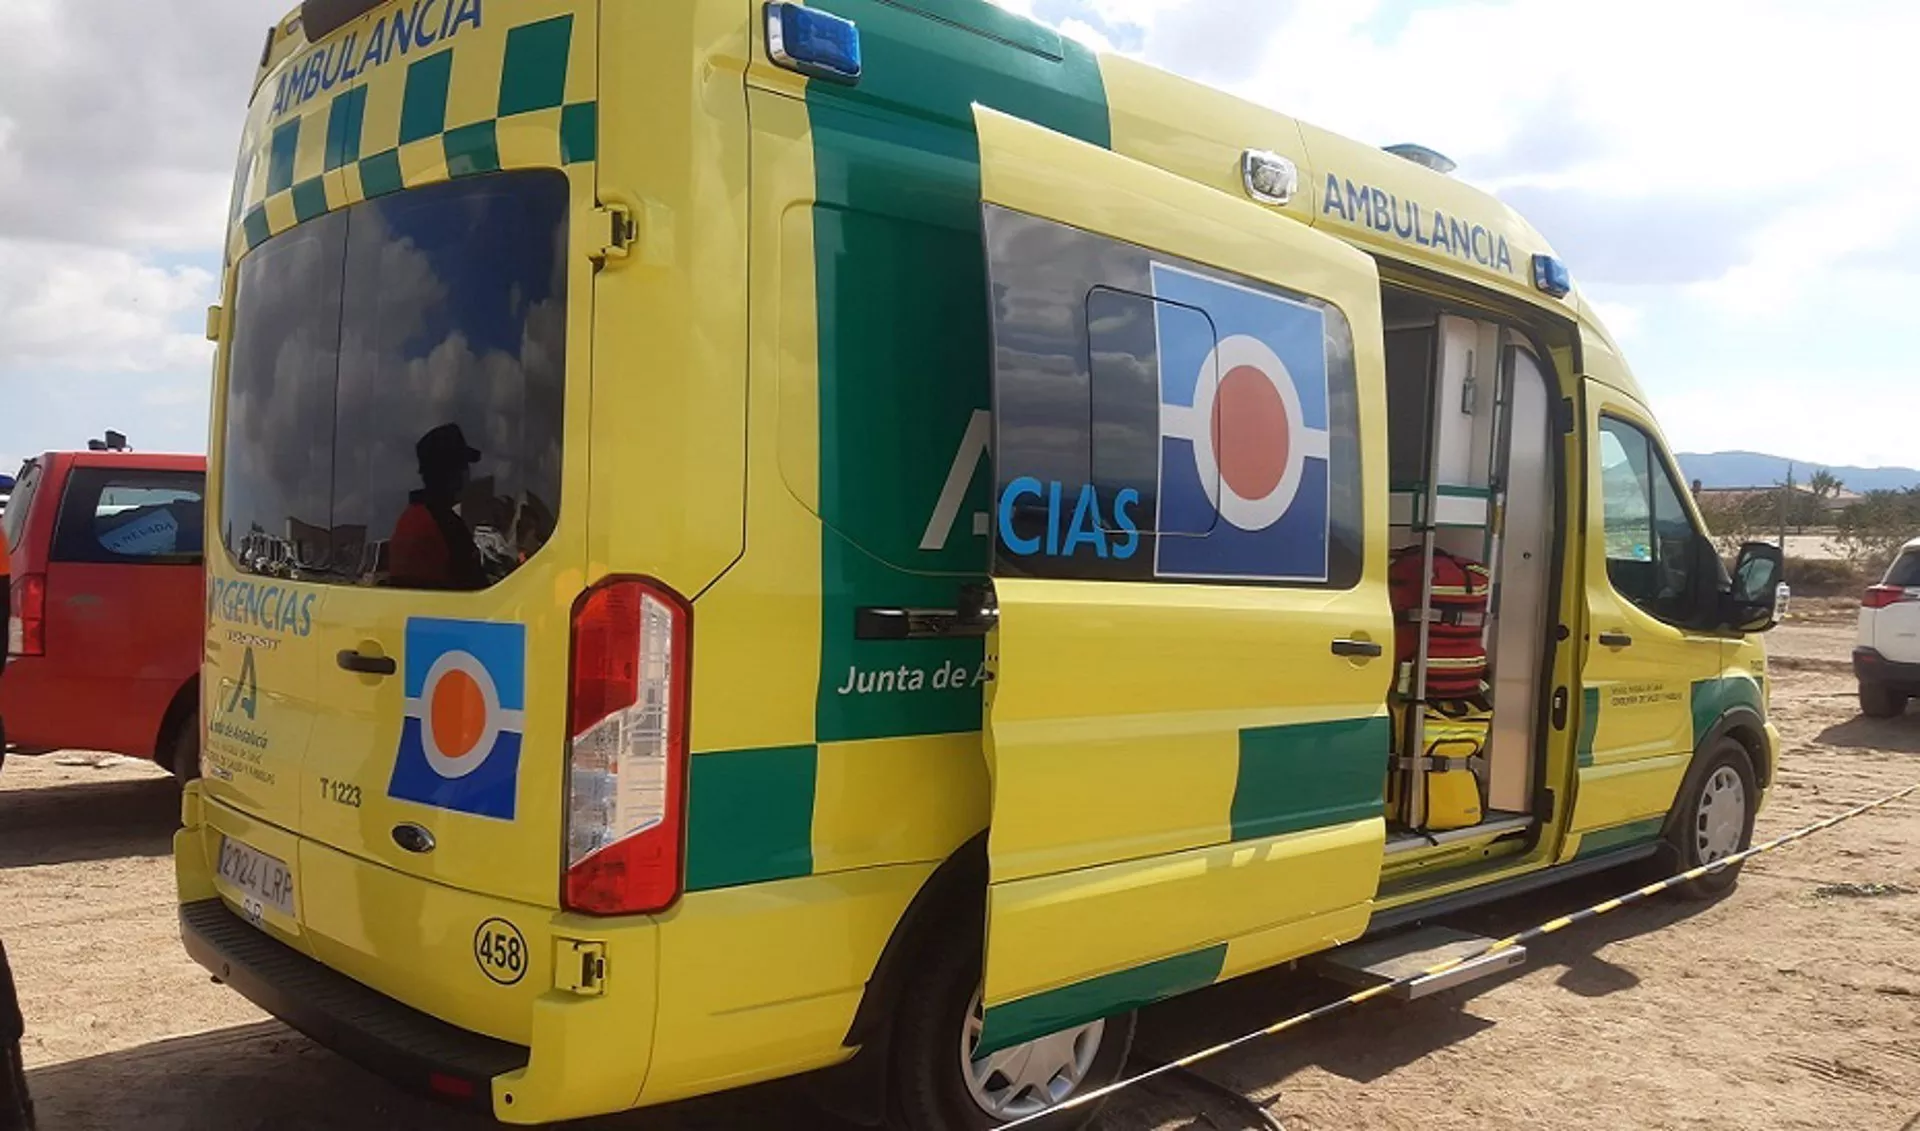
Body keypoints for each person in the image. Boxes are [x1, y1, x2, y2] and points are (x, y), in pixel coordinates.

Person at [387, 424, 486, 591]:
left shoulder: (411, 516)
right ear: (449, 473)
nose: (467, 474)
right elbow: (474, 585)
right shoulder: (445, 525)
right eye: (463, 466)